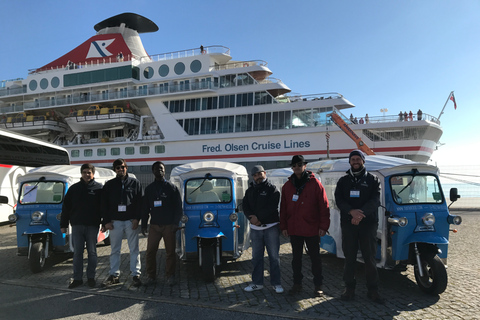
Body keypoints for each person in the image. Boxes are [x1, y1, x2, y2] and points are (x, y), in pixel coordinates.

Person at [334, 150, 384, 304]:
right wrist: (351, 212)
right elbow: (339, 200)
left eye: (358, 159)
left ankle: (373, 290)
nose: (355, 161)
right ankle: (349, 288)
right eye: (352, 159)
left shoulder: (373, 180)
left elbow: (375, 200)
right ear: (349, 162)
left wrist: (360, 214)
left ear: (363, 161)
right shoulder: (343, 181)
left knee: (369, 257)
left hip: (368, 223)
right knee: (349, 257)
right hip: (349, 223)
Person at [280, 155, 330, 297]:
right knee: (296, 259)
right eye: (294, 165)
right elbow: (283, 207)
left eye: (299, 164)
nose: (296, 167)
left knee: (315, 258)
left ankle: (318, 285)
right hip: (294, 228)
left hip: (312, 228)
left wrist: (323, 226)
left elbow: (324, 206)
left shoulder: (315, 184)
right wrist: (283, 226)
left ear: (305, 166)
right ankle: (297, 283)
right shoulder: (287, 186)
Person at [101, 159, 143, 287]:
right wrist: (106, 221)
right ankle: (114, 274)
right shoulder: (109, 185)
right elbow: (104, 204)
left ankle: (136, 274)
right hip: (115, 222)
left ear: (127, 168)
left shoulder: (135, 183)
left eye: (123, 167)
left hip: (131, 221)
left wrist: (137, 219)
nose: (121, 169)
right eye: (118, 167)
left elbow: (140, 202)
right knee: (115, 249)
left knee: (134, 249)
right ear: (115, 170)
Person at [60, 163, 103, 289]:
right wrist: (63, 225)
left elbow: (104, 207)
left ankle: (91, 278)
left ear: (93, 174)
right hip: (77, 225)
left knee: (92, 252)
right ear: (81, 173)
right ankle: (77, 279)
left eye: (89, 172)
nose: (87, 175)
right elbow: (66, 208)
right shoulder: (74, 189)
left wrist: (105, 222)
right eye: (84, 172)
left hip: (92, 225)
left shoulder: (99, 189)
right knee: (77, 253)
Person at [243, 165, 283, 294]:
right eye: (255, 175)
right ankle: (257, 283)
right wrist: (251, 218)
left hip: (271, 227)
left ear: (264, 173)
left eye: (259, 174)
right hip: (255, 229)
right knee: (256, 257)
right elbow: (245, 206)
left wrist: (259, 218)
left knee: (274, 257)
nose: (257, 177)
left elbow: (272, 206)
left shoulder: (273, 189)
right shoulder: (250, 191)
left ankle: (276, 283)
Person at [142, 161, 183, 286]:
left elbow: (178, 207)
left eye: (161, 168)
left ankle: (170, 276)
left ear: (164, 171)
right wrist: (144, 224)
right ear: (153, 171)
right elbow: (145, 208)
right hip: (154, 226)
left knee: (170, 252)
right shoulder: (149, 189)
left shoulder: (172, 188)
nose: (159, 170)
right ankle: (151, 276)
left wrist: (176, 223)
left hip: (169, 226)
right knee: (150, 252)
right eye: (156, 169)